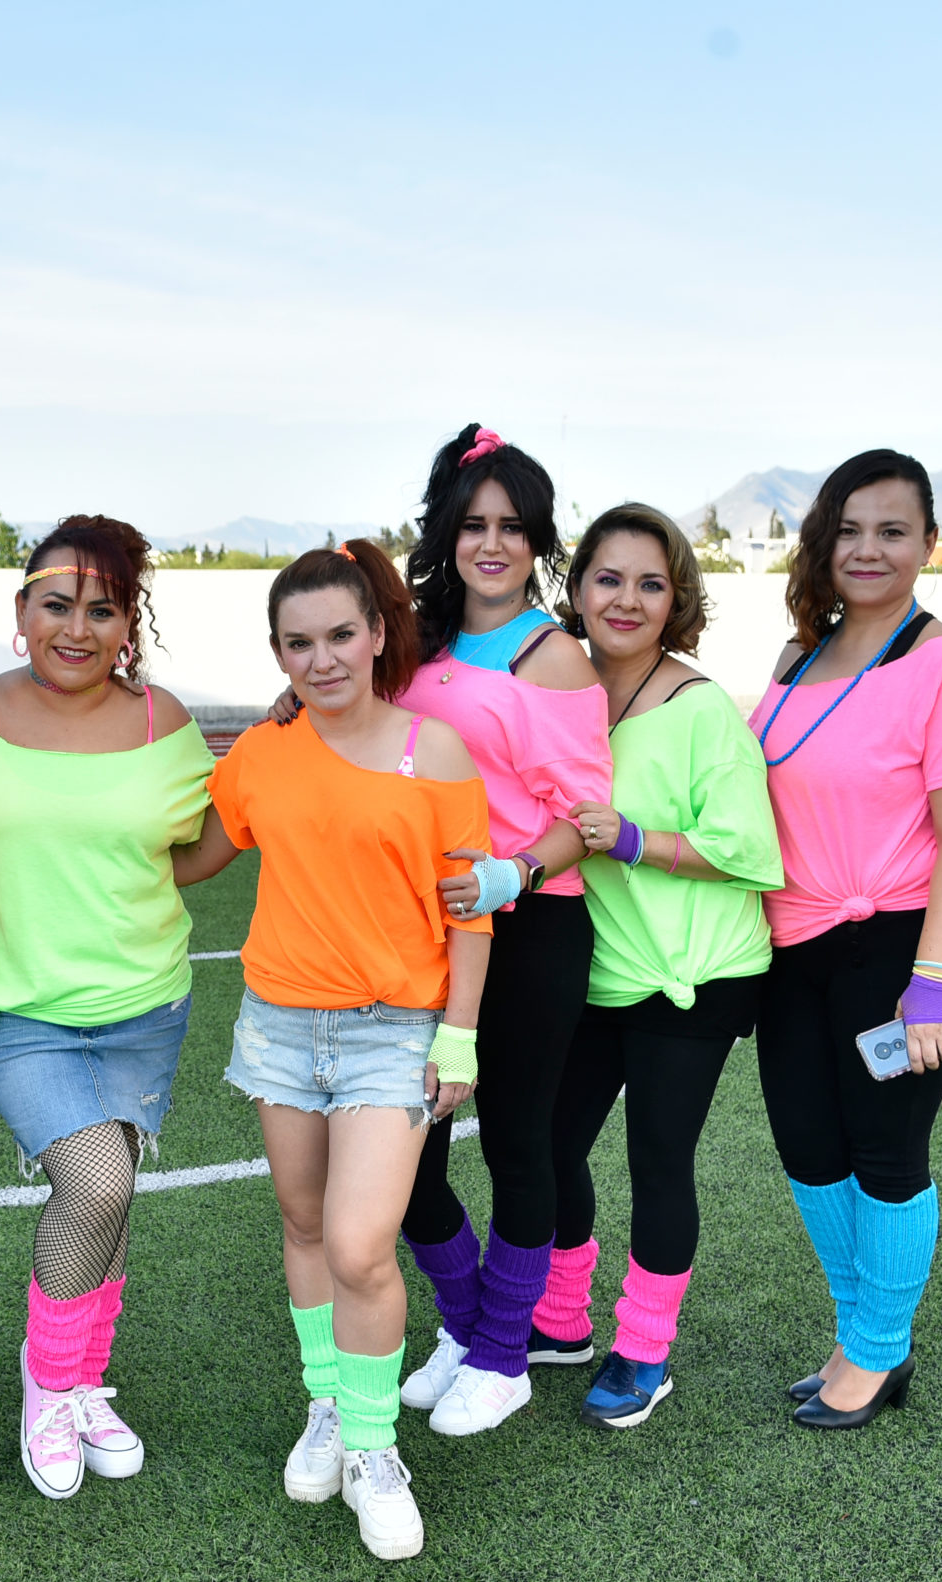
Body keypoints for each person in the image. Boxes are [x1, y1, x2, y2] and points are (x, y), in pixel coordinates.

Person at [175, 539, 490, 1562]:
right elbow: (196, 855)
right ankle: (326, 1405)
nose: (322, 658)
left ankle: (372, 1446)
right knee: (303, 1221)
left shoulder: (430, 752)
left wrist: (459, 1036)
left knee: (360, 1245)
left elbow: (472, 915)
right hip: (276, 1023)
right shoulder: (262, 753)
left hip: (392, 1032)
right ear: (277, 650)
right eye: (298, 642)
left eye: (340, 635)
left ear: (376, 632)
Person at [0, 515, 216, 1501]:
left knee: (117, 1191)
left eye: (103, 609)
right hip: (15, 1009)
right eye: (57, 604)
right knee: (94, 1182)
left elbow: (197, 845)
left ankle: (86, 1376)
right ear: (20, 612)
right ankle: (47, 1381)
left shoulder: (165, 723)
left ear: (127, 623)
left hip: (145, 1003)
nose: (78, 627)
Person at [746, 449, 942, 1429]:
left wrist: (933, 983)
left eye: (891, 529)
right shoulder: (797, 655)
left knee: (883, 1150)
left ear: (927, 544)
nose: (867, 548)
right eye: (848, 528)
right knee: (809, 1149)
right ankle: (860, 1331)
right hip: (795, 949)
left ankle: (875, 1351)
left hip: (900, 953)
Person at [388, 425, 611, 1436]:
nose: (491, 543)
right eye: (473, 523)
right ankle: (468, 1323)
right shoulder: (418, 639)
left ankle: (501, 1354)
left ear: (536, 540)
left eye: (512, 527)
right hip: (421, 932)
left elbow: (587, 814)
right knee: (407, 1155)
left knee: (515, 1140)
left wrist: (511, 869)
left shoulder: (551, 653)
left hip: (528, 930)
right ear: (445, 530)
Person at [542, 504, 784, 1428]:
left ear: (677, 597)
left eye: (652, 582)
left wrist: (639, 840)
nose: (628, 599)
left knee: (657, 1155)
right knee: (555, 1141)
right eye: (609, 578)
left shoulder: (701, 707)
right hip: (602, 963)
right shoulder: (564, 689)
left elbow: (750, 849)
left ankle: (642, 1350)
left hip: (696, 972)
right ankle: (561, 1318)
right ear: (578, 588)